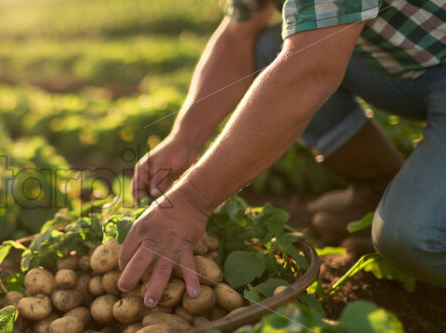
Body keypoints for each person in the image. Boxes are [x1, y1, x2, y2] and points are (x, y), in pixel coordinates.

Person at [117, 0, 446, 307]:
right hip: (417, 61)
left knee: (413, 239)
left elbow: (308, 74)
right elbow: (237, 37)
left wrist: (193, 200)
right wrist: (184, 139)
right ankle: (378, 192)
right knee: (271, 44)